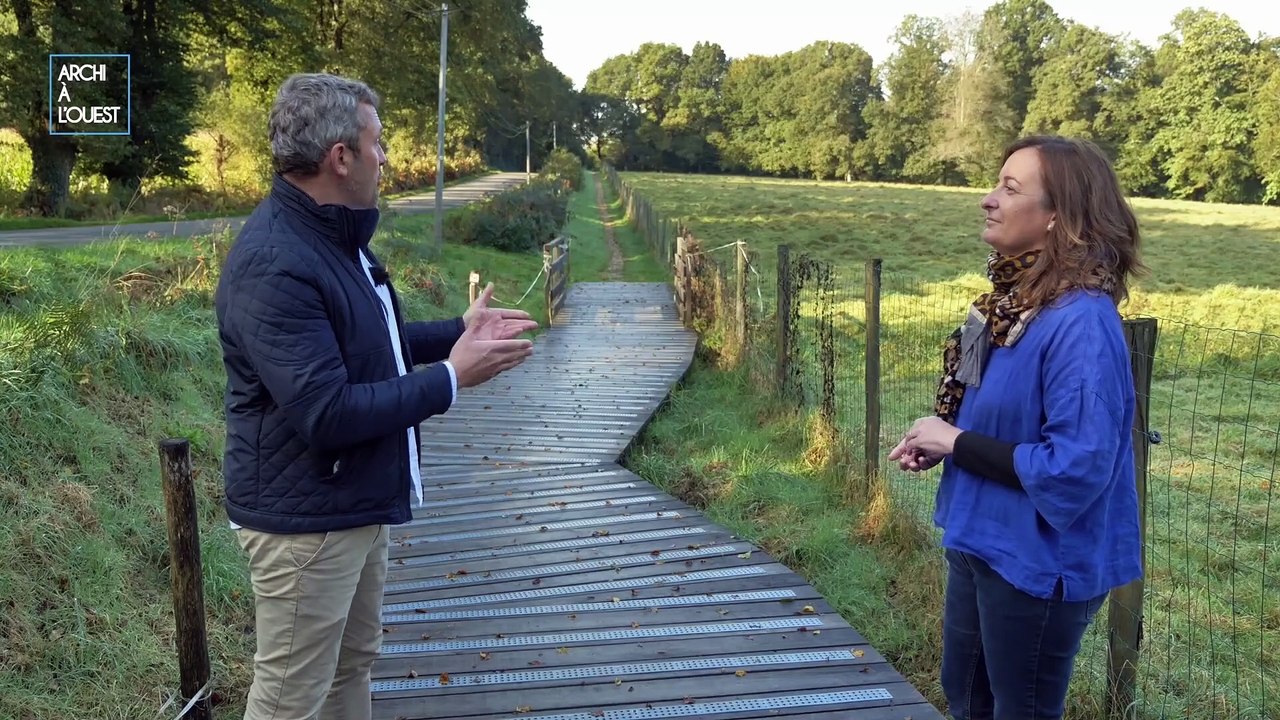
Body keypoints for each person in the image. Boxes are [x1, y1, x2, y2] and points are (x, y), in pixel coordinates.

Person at [213, 72, 538, 720]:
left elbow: (364, 346)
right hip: (305, 524)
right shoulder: (275, 260)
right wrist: (451, 376)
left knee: (350, 668)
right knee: (289, 699)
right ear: (341, 157)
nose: (386, 157)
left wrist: (457, 333)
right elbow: (326, 412)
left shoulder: (332, 236)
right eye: (377, 142)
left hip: (348, 501)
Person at [888, 135, 1146, 720]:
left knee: (1020, 710)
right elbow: (991, 417)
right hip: (979, 538)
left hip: (1036, 562)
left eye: (1010, 188)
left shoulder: (1080, 322)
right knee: (967, 696)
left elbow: (1075, 465)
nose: (987, 200)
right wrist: (943, 441)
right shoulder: (1013, 305)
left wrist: (955, 441)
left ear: (1059, 216)